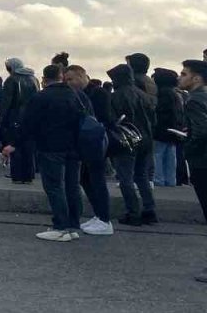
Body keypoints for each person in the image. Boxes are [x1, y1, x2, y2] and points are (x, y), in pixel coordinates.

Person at [7, 65, 83, 242]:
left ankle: (60, 226)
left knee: (54, 187)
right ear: (61, 76)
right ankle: (73, 225)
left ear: (44, 79)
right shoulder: (74, 95)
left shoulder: (41, 97)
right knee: (72, 186)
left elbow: (28, 123)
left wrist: (14, 144)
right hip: (74, 147)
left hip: (50, 146)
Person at [66, 65, 114, 236]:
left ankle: (104, 218)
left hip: (96, 142)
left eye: (71, 79)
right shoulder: (82, 94)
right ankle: (99, 215)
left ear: (81, 76)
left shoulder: (98, 94)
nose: (68, 83)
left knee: (97, 180)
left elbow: (103, 118)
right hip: (87, 142)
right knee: (87, 179)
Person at [108, 63, 158, 226]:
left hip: (127, 140)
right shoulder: (144, 95)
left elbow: (113, 120)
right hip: (146, 139)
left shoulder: (117, 96)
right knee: (141, 176)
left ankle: (133, 212)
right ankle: (149, 210)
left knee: (126, 178)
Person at [176, 60, 207, 283]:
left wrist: (188, 146)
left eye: (184, 74)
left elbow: (202, 132)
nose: (180, 77)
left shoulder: (194, 100)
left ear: (196, 78)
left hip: (202, 162)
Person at [0, 58, 40, 183]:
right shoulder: (34, 79)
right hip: (32, 116)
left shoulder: (11, 80)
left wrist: (2, 119)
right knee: (28, 146)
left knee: (14, 145)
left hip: (15, 116)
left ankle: (17, 175)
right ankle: (29, 175)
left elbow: (7, 102)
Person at [152, 67, 187, 187]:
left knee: (158, 155)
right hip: (174, 130)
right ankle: (171, 180)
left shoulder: (161, 94)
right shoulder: (176, 95)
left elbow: (159, 112)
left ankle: (159, 180)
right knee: (171, 157)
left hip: (161, 130)